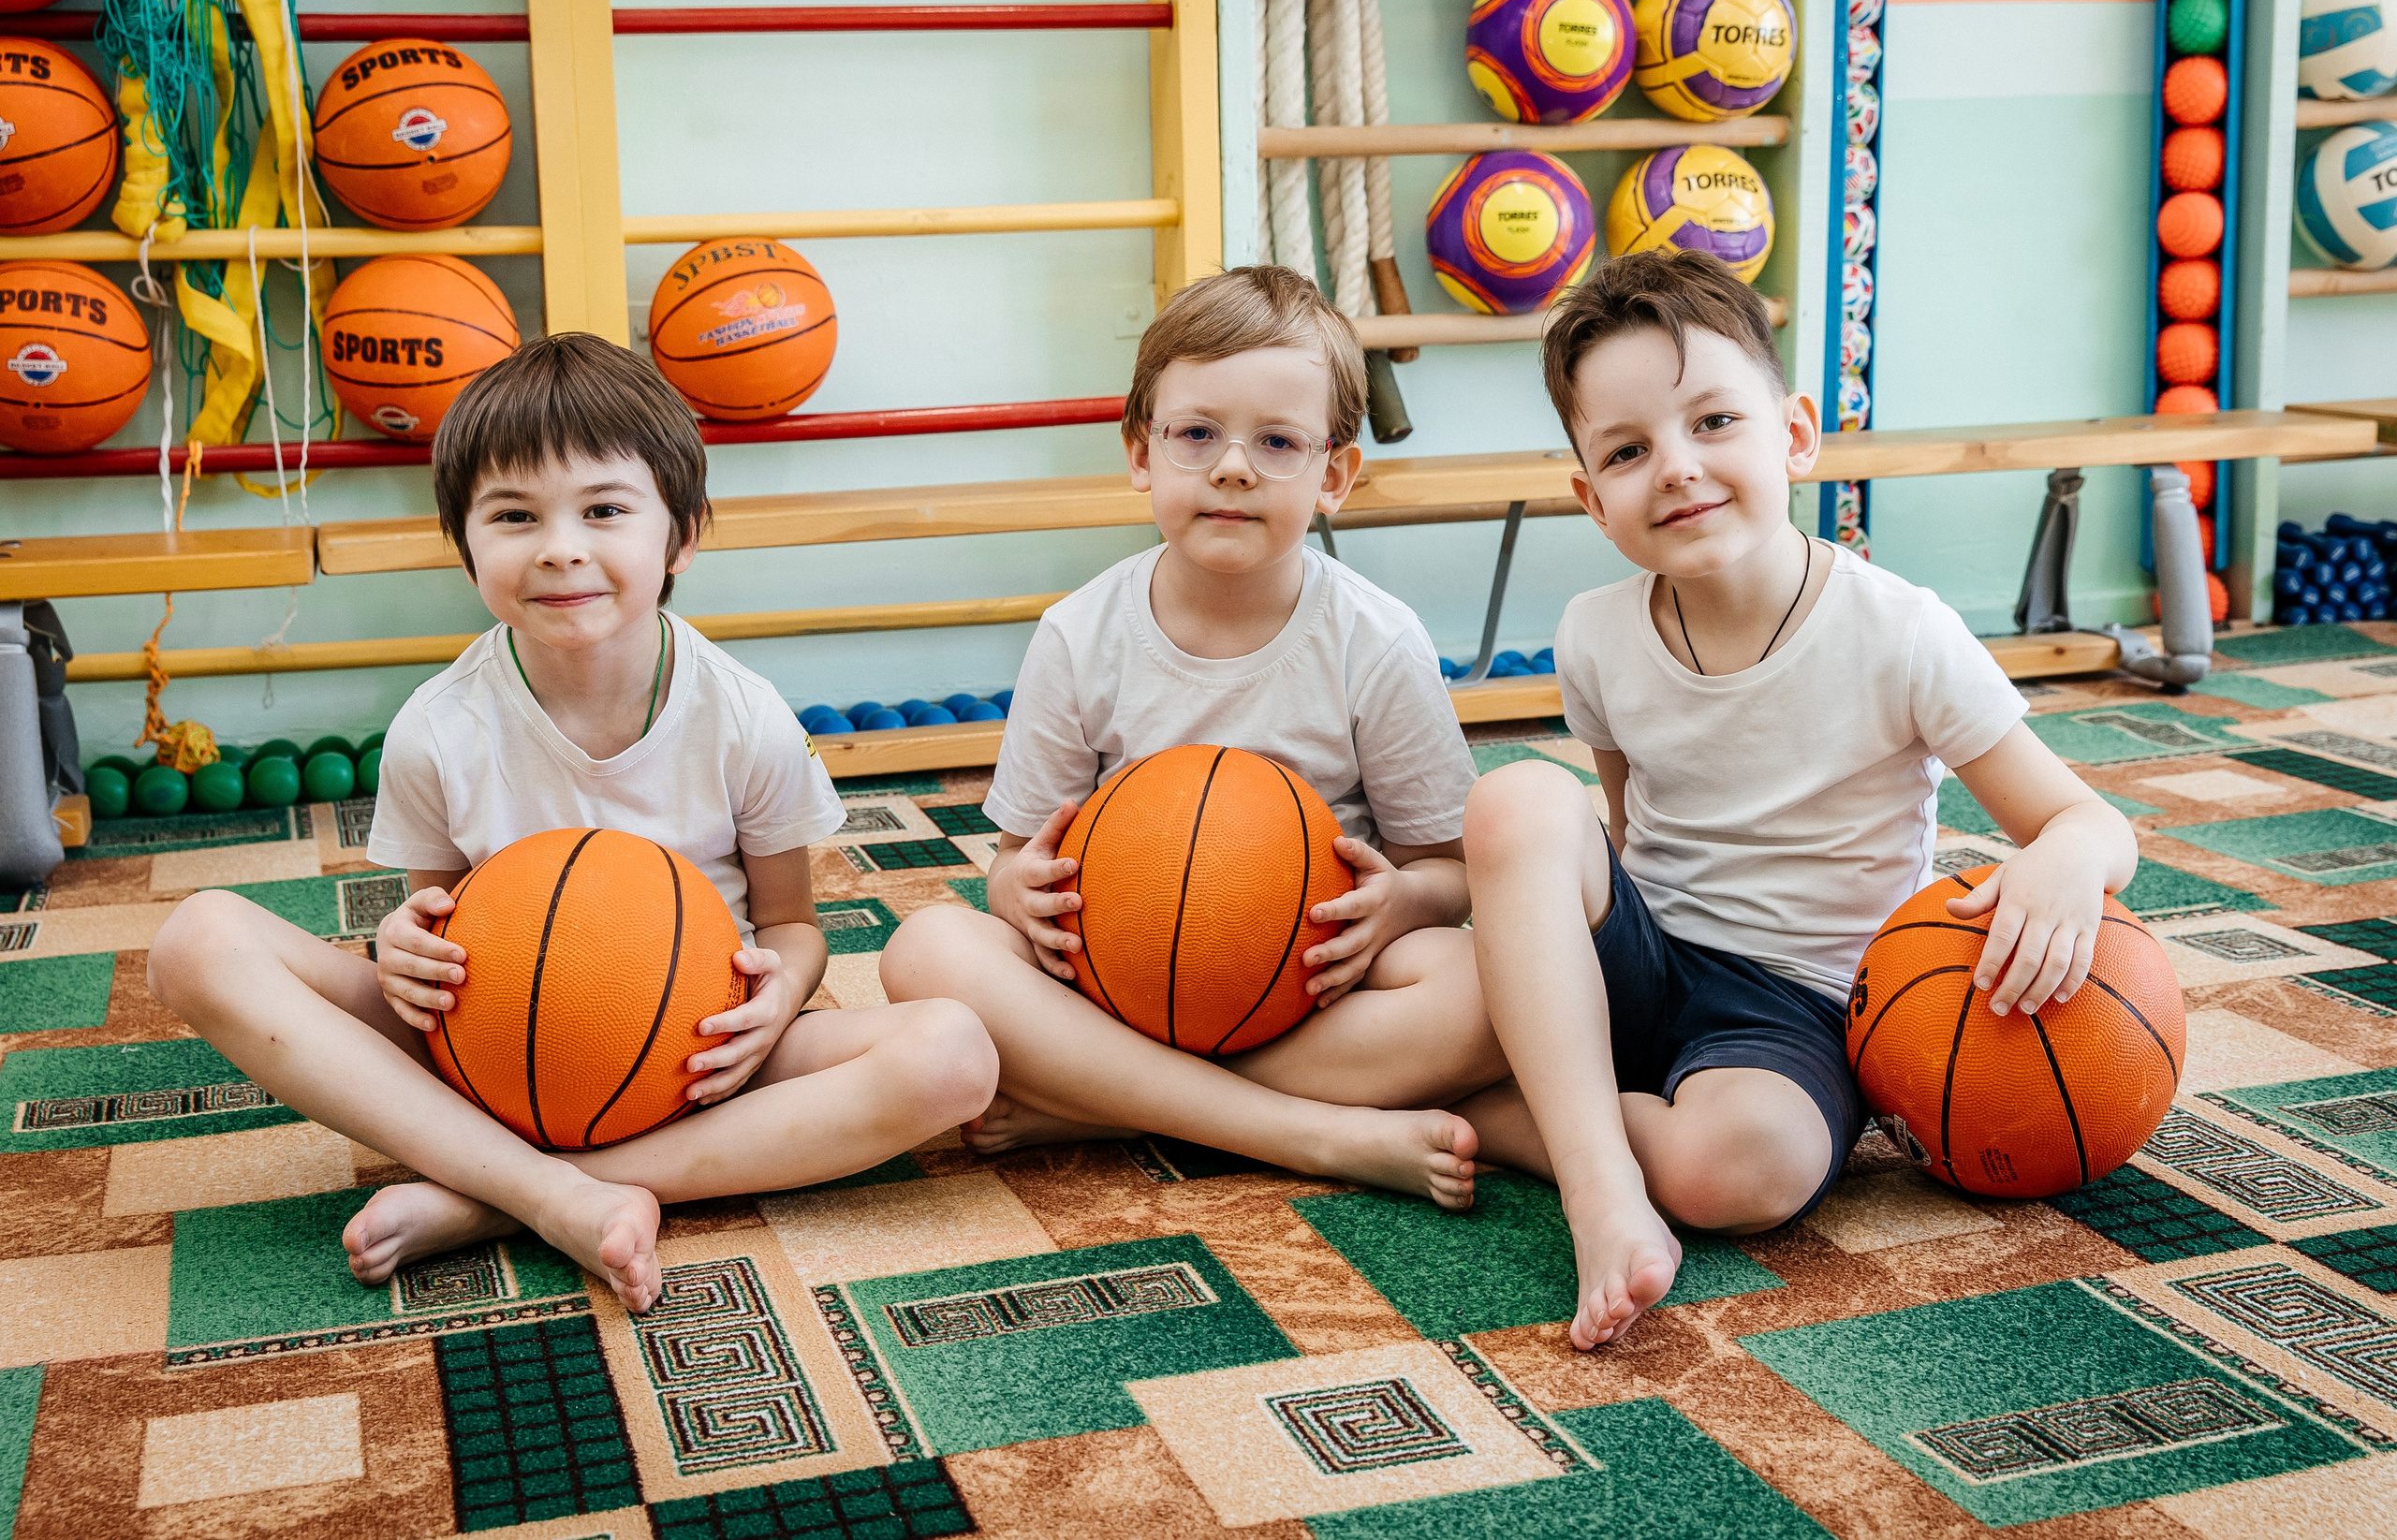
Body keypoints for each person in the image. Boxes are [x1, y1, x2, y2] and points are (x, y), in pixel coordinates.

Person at [148, 334, 997, 1313]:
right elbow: (430, 923)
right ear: (466, 545)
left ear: (678, 536)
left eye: (603, 510)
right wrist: (396, 945)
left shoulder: (742, 713)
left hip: (695, 1055)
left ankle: (503, 1197)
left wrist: (778, 1000)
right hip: (493, 1053)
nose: (560, 546)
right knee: (195, 937)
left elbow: (792, 927)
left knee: (954, 1054)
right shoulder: (437, 727)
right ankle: (551, 1189)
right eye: (514, 515)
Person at [1457, 250, 2137, 1349]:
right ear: (1590, 496)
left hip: (1801, 1002)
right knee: (1518, 801)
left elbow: (2090, 822)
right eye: (1628, 450)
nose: (1675, 468)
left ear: (1795, 435)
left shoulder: (1899, 631)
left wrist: (2062, 860)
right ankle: (1598, 1188)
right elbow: (1624, 836)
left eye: (1713, 421)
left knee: (1744, 1172)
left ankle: (1511, 1114)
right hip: (1650, 953)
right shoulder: (1593, 632)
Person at [878, 266, 1499, 1206]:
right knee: (924, 946)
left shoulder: (1375, 639)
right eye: (1197, 434)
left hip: (1303, 995)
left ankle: (1106, 1104)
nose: (1233, 466)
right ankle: (1310, 1135)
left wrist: (1399, 906)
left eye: (1278, 441)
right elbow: (1010, 864)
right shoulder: (1079, 633)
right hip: (1114, 982)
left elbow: (1447, 872)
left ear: (1334, 474)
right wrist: (1017, 889)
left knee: (1490, 988)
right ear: (1141, 454)